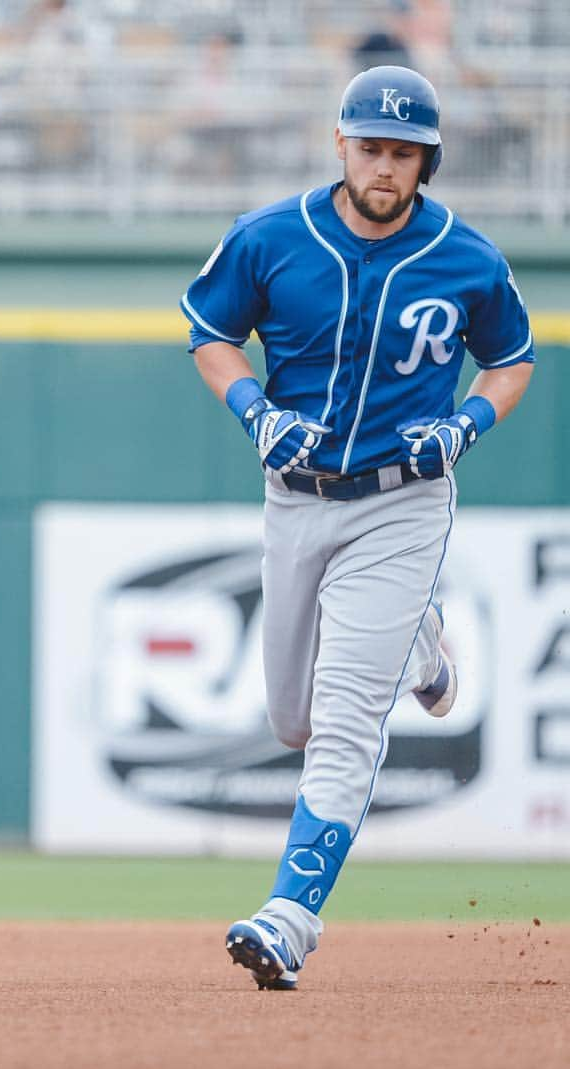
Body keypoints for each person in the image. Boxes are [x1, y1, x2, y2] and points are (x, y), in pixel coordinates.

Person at [180, 65, 533, 989]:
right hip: (297, 495)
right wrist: (253, 406)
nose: (385, 164)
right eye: (371, 145)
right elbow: (210, 333)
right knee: (290, 719)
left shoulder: (466, 258)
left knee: (342, 728)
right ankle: (421, 639)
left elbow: (511, 361)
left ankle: (291, 917)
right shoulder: (269, 237)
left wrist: (466, 424)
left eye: (403, 151)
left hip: (403, 502)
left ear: (428, 161)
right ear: (342, 145)